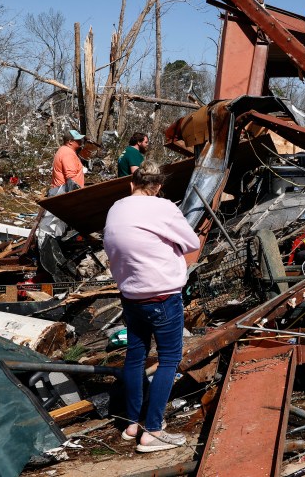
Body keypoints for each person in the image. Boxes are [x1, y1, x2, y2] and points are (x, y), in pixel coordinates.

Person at [103, 161, 200, 452]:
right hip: (162, 295)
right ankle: (153, 430)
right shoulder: (164, 207)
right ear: (157, 187)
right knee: (169, 359)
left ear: (131, 183)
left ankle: (132, 423)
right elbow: (192, 242)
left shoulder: (116, 207)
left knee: (135, 356)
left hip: (131, 295)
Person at [49, 129, 86, 196]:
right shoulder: (67, 153)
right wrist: (77, 196)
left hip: (61, 191)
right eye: (77, 140)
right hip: (65, 194)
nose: (80, 141)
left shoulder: (64, 150)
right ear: (70, 142)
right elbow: (71, 178)